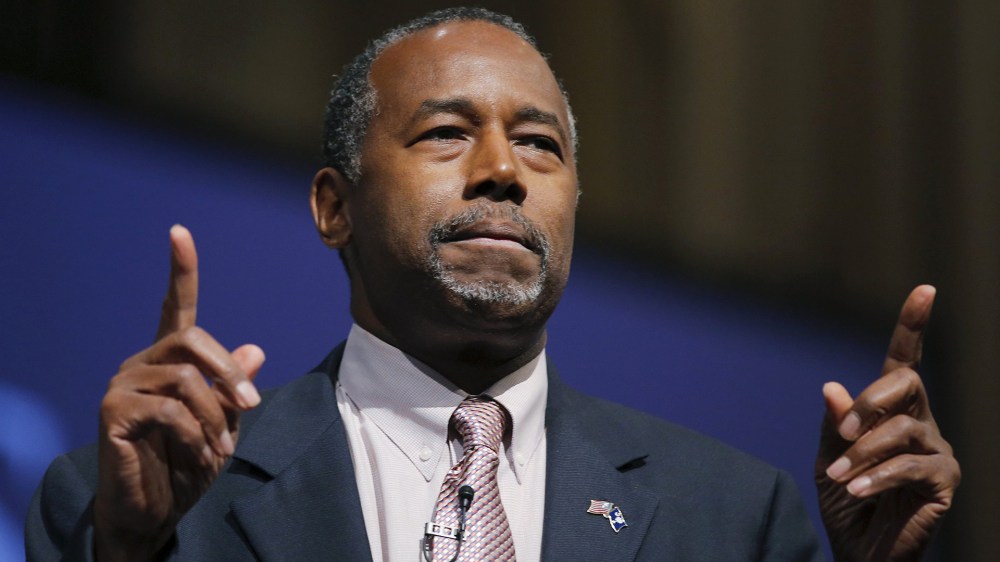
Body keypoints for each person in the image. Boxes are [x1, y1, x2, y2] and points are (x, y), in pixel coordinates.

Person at [26, 7, 959, 561]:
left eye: (540, 145)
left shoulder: (733, 516)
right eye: (446, 133)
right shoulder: (129, 505)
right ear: (334, 207)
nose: (504, 171)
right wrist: (128, 550)